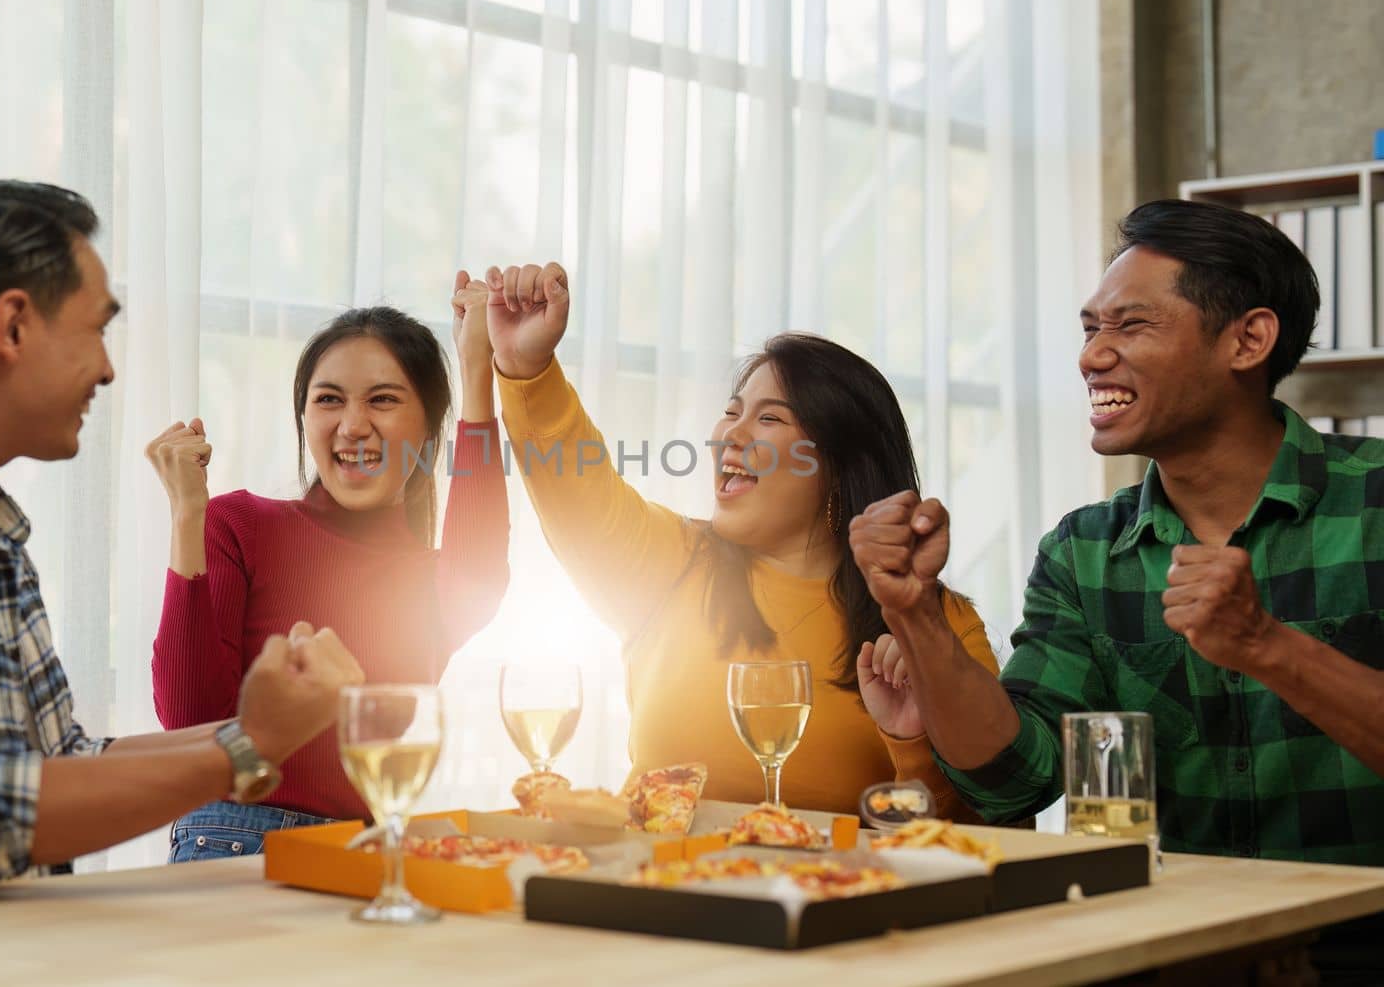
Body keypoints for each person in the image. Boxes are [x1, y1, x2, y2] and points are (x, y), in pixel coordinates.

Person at [0, 180, 364, 901]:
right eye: (96, 328)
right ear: (13, 327)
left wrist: (259, 729)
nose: (109, 367)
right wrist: (244, 745)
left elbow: (62, 757)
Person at [849, 199, 1384, 867]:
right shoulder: (1082, 553)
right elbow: (1014, 775)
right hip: (1175, 951)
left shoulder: (1375, 500)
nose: (1092, 356)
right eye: (1090, 328)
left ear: (1247, 341)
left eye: (1130, 325)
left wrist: (1267, 646)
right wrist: (912, 610)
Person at [484, 262, 998, 816]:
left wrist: (914, 741)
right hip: (658, 891)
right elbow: (572, 483)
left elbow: (990, 825)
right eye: (732, 413)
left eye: (769, 419)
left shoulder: (938, 629)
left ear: (836, 463)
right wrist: (525, 365)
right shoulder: (672, 563)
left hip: (839, 895)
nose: (731, 434)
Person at [148, 278, 510, 860]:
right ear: (303, 418)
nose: (352, 425)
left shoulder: (432, 584)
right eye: (330, 399)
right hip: (232, 845)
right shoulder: (237, 524)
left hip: (362, 854)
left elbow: (482, 569)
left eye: (384, 400)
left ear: (427, 431)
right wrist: (186, 516)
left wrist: (477, 369)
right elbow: (192, 722)